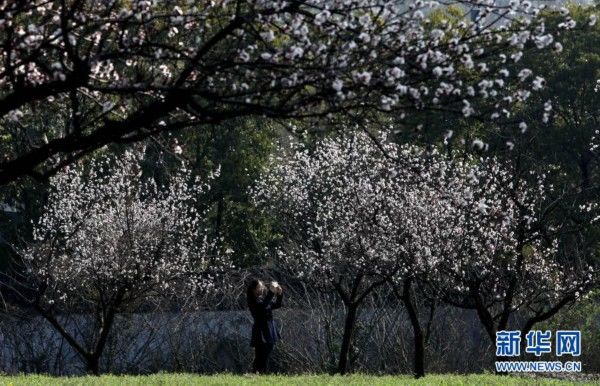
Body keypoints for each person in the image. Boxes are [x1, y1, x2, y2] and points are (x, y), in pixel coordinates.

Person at [246, 278, 283, 374]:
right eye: (259, 286)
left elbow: (277, 305)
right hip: (261, 331)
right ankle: (257, 374)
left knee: (265, 355)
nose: (262, 288)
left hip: (269, 330)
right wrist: (271, 292)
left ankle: (259, 374)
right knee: (261, 356)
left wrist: (279, 294)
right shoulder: (253, 301)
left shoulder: (262, 299)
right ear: (254, 289)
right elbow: (262, 306)